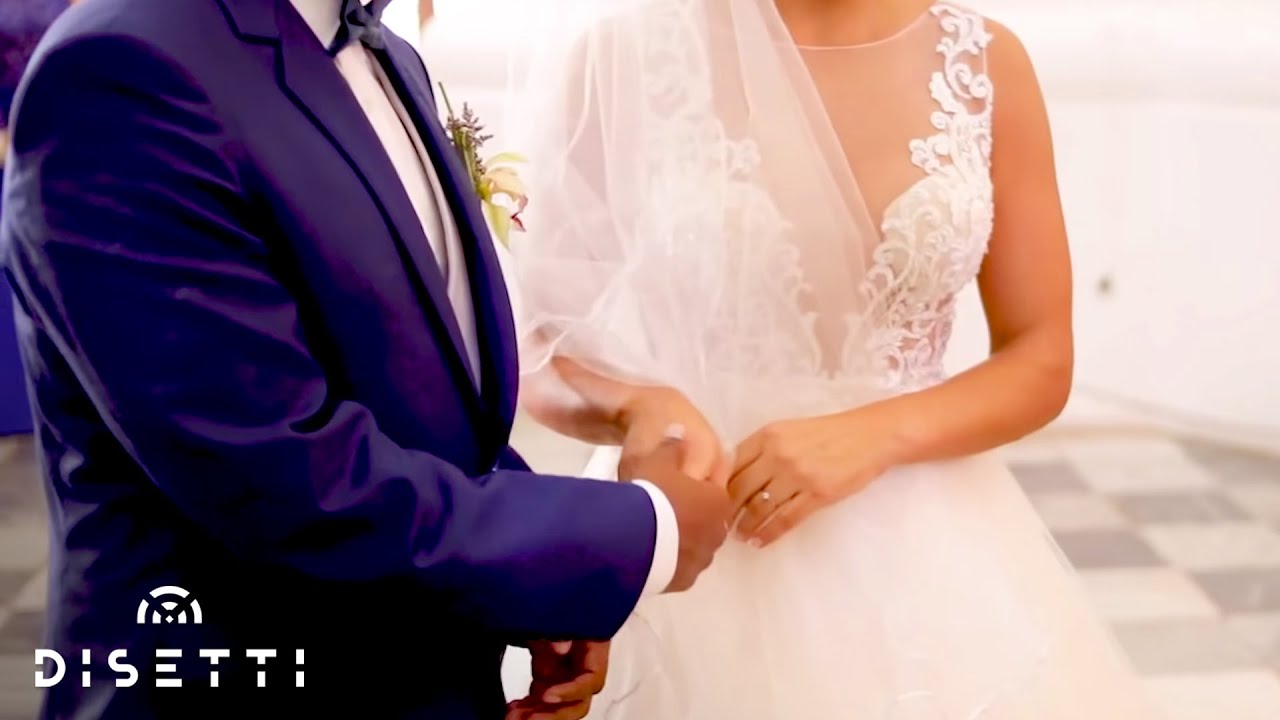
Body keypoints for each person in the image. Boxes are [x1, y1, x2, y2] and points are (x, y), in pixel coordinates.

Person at [0, 0, 733, 717]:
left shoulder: (383, 54)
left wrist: (547, 587)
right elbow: (276, 476)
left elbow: (421, 403)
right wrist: (640, 535)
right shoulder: (128, 68)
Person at [503, 0, 1160, 717]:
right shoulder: (625, 55)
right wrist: (635, 408)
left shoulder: (982, 61)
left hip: (928, 548)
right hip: (695, 529)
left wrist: (874, 434)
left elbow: (1040, 355)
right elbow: (536, 342)